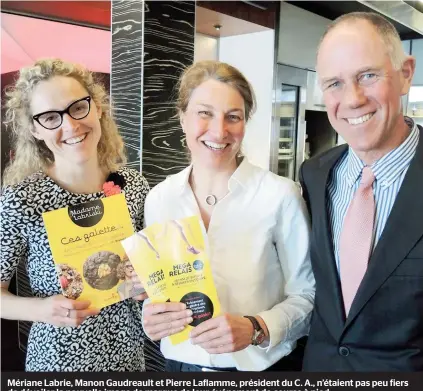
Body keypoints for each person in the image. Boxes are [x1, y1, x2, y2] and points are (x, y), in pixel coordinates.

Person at [142, 60, 315, 372]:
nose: (219, 130)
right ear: (182, 118)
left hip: (260, 370)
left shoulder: (280, 196)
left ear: (245, 123)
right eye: (204, 113)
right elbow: (161, 289)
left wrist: (256, 326)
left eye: (233, 117)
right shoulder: (159, 199)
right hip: (180, 367)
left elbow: (308, 296)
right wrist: (152, 315)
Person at [0, 58, 150, 371]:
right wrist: (42, 310)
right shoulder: (22, 198)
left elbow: (150, 263)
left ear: (97, 107)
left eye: (78, 108)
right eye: (51, 117)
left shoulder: (133, 185)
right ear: (35, 129)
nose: (70, 125)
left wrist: (147, 279)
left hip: (129, 356)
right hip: (58, 364)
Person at [300, 12, 422, 371]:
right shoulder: (314, 175)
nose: (352, 99)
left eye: (367, 76)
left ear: (405, 74)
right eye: (334, 83)